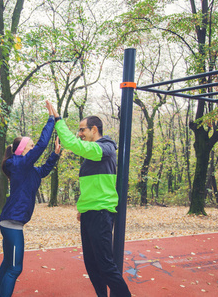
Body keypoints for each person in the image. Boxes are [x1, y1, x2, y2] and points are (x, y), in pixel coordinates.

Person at [48, 102, 131, 297]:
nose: (79, 133)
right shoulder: (92, 155)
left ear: (94, 129)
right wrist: (82, 208)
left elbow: (72, 143)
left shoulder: (105, 149)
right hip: (89, 212)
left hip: (101, 213)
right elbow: (92, 185)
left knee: (105, 266)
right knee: (92, 266)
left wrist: (58, 120)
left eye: (82, 129)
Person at [0, 101, 61, 297]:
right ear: (23, 149)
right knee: (15, 268)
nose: (34, 147)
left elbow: (44, 171)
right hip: (12, 223)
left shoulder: (27, 169)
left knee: (8, 263)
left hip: (11, 222)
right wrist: (52, 119)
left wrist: (54, 155)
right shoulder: (19, 164)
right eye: (30, 145)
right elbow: (41, 145)